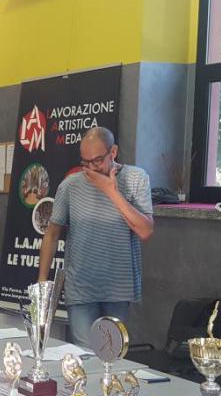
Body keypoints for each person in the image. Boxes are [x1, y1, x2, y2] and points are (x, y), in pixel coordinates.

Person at [37, 126, 153, 347]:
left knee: (112, 354)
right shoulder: (70, 185)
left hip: (118, 287)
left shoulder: (136, 178)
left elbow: (145, 230)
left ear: (113, 152)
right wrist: (42, 282)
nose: (91, 168)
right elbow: (51, 234)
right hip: (80, 286)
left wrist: (110, 191)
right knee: (84, 355)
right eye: (85, 162)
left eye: (97, 161)